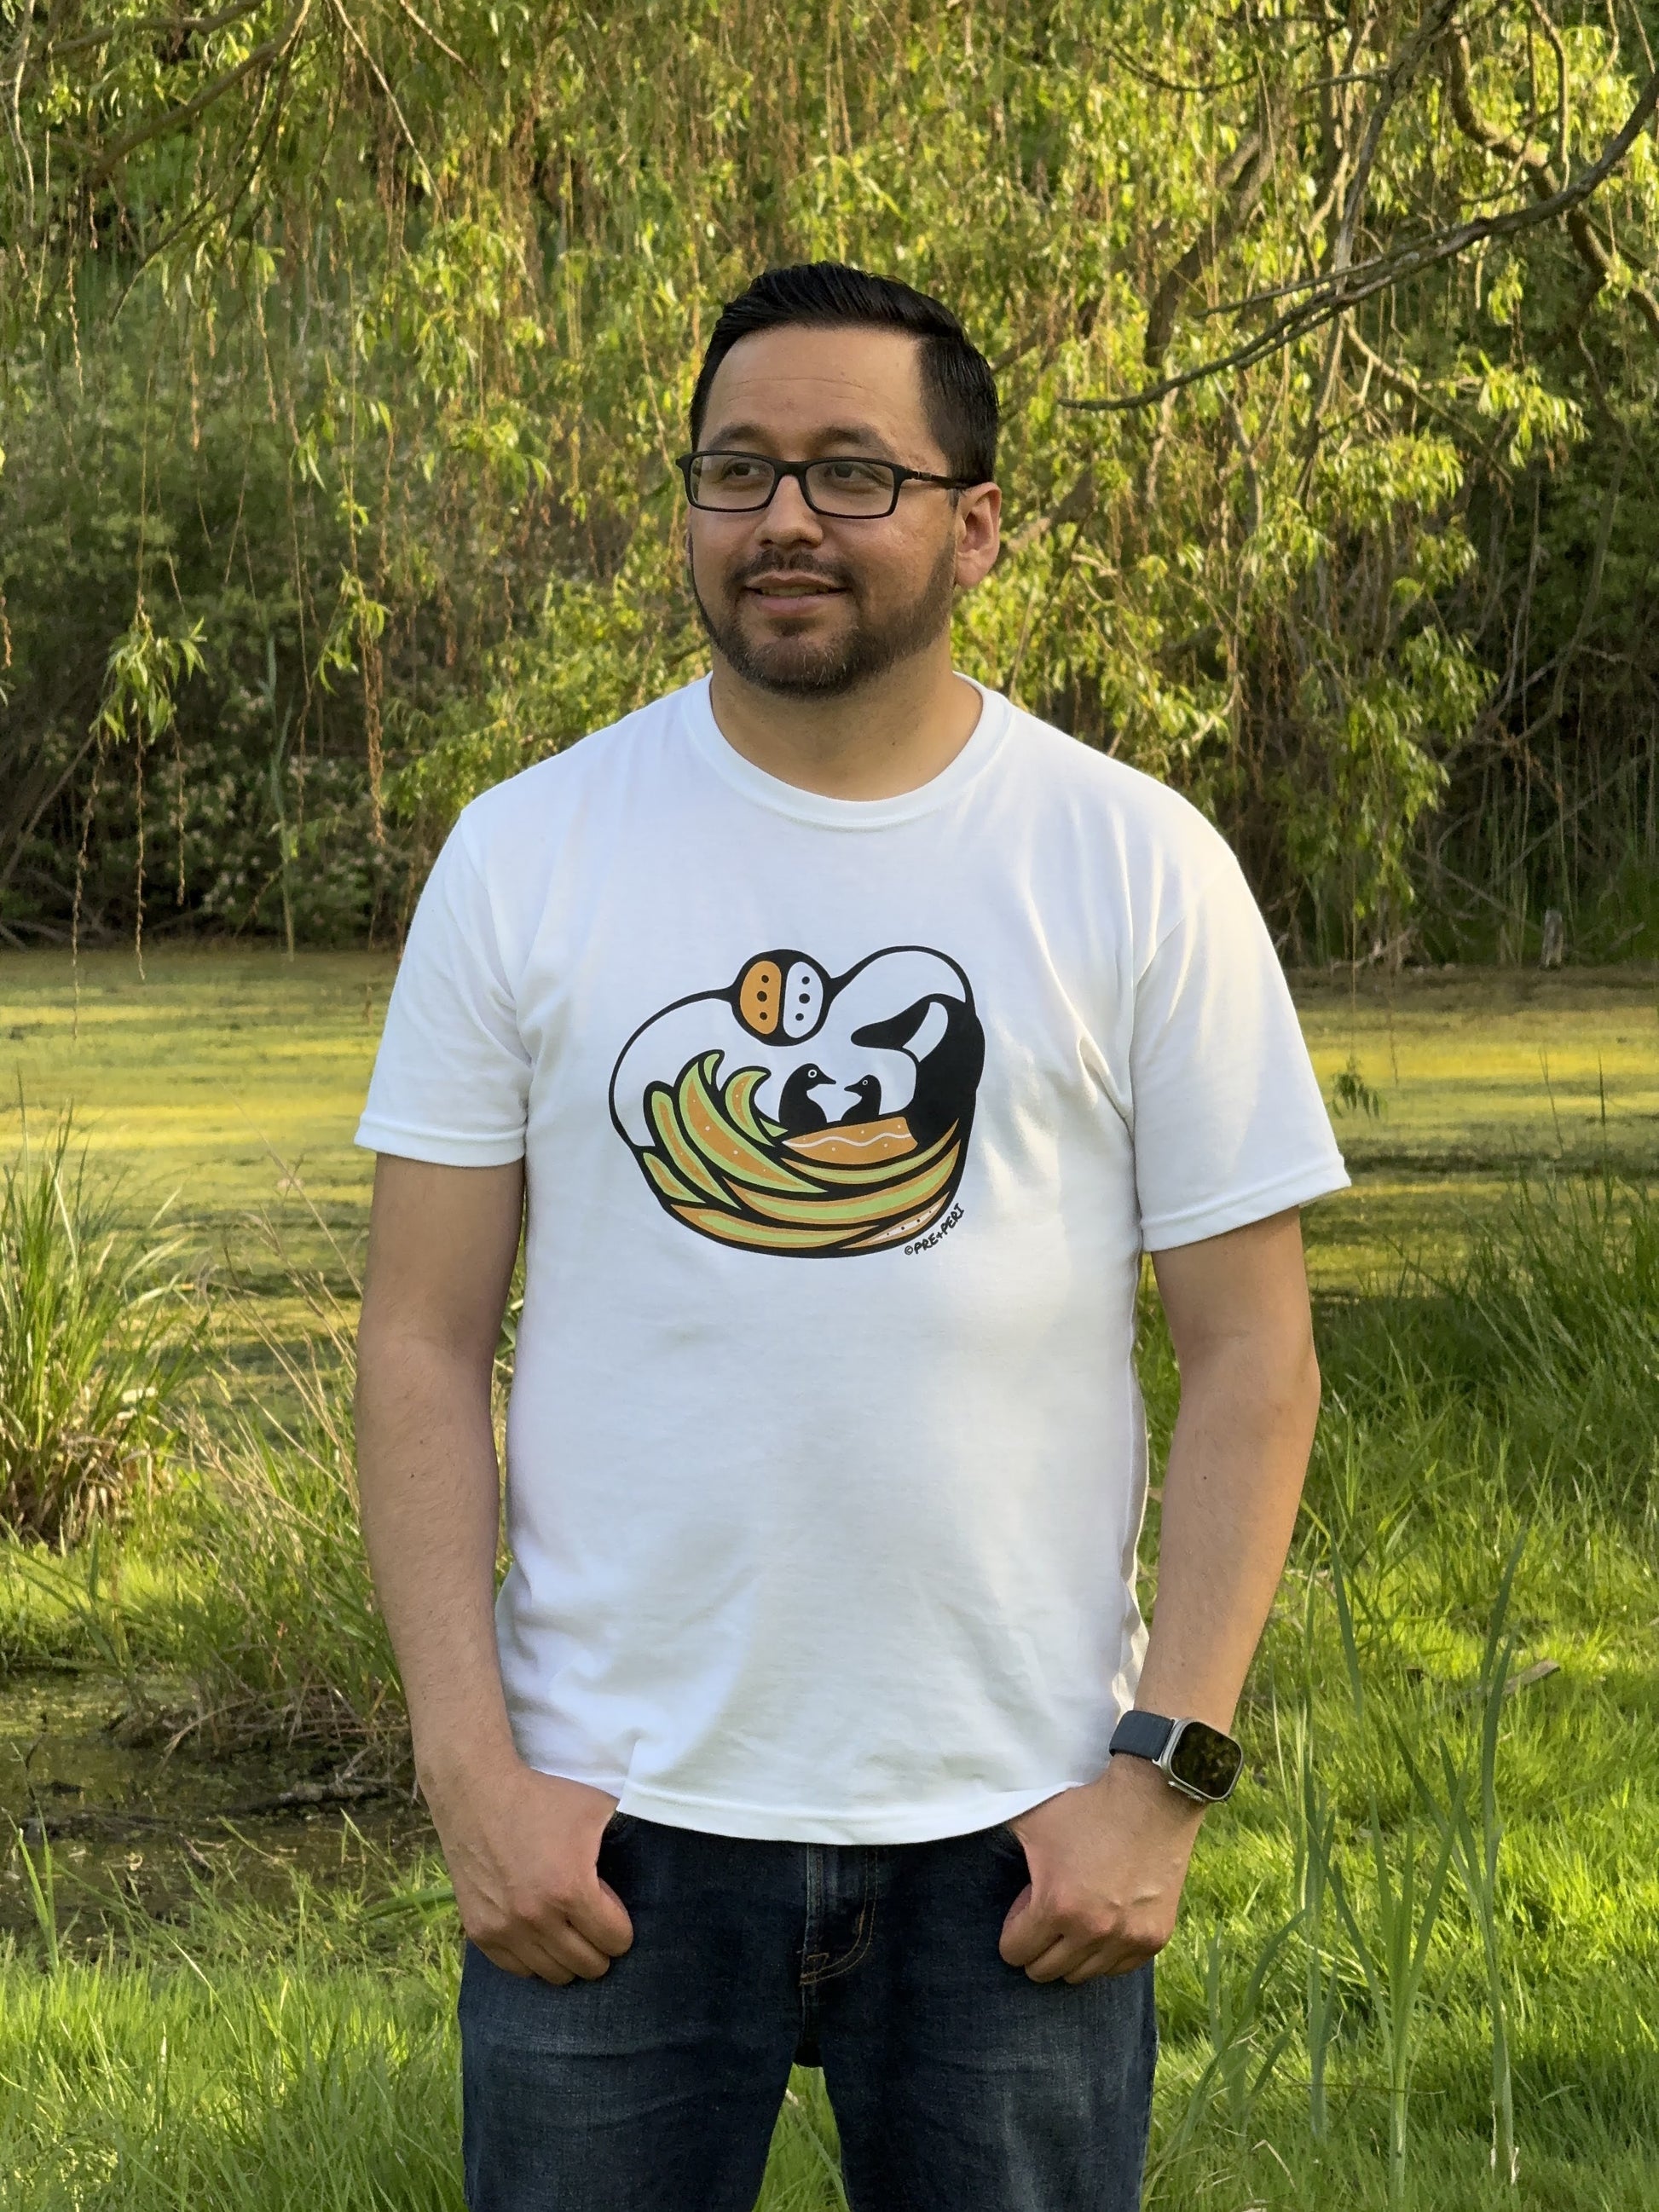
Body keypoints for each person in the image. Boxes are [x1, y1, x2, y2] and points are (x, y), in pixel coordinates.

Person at [353, 262, 1349, 2212]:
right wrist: (473, 1771)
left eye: (847, 471)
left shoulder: (1131, 859)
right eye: (735, 469)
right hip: (612, 1829)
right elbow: (415, 1336)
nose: (783, 517)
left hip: (1016, 1829)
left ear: (974, 524)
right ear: (686, 512)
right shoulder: (527, 849)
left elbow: (1253, 1354)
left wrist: (1160, 1778)